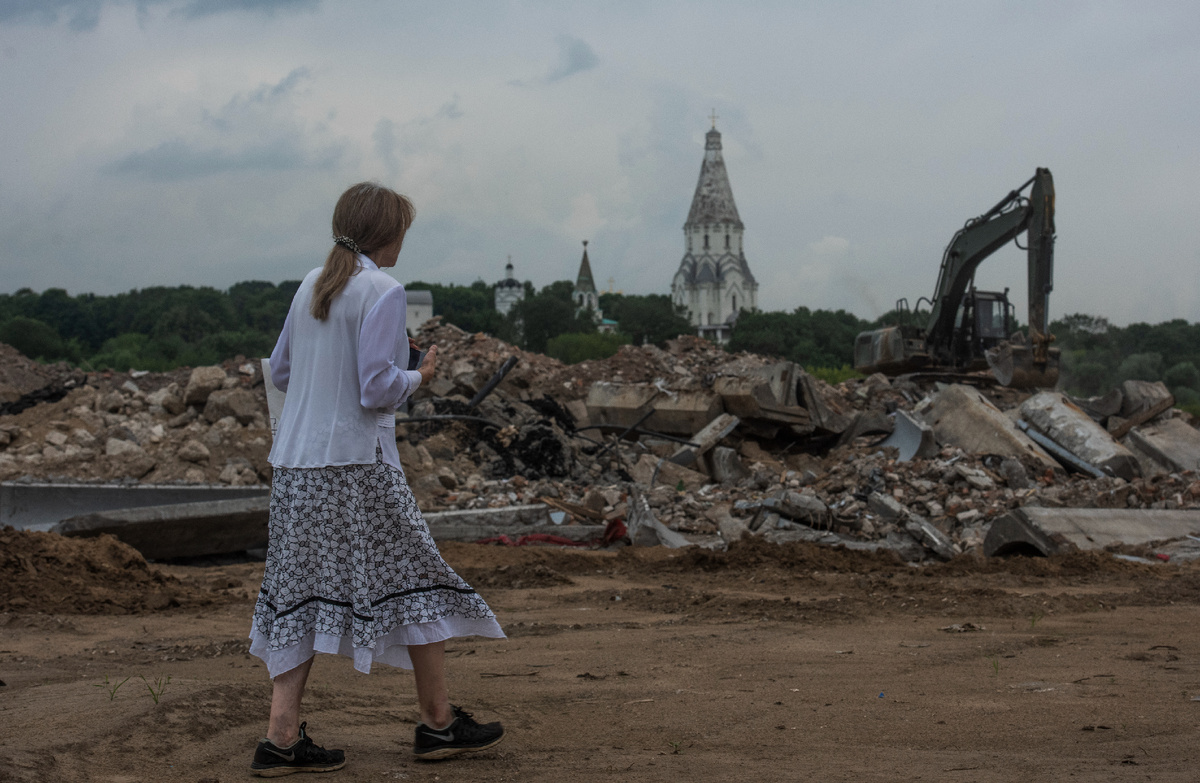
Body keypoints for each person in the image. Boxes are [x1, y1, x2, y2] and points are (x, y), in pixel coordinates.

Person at [248, 182, 506, 776]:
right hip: (357, 466)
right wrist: (419, 375)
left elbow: (281, 371)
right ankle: (438, 724)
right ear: (388, 234)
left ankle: (281, 737)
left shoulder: (311, 283)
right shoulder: (385, 290)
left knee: (297, 593)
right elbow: (375, 389)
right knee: (416, 576)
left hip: (296, 466)